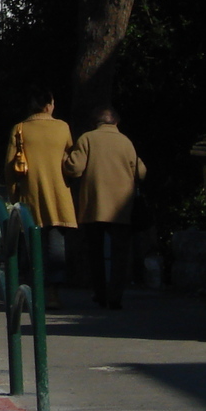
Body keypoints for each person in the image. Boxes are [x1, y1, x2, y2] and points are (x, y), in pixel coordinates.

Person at [65, 107, 147, 309]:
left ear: (96, 123)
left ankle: (100, 293)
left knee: (95, 253)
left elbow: (74, 169)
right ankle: (115, 295)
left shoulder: (87, 139)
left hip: (93, 206)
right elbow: (141, 173)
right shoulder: (126, 142)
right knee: (120, 254)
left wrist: (64, 158)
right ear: (116, 123)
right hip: (121, 208)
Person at [5, 89, 76, 308]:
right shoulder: (63, 127)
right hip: (58, 196)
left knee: (32, 247)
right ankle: (54, 294)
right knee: (56, 248)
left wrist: (13, 194)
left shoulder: (20, 129)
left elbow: (10, 166)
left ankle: (33, 292)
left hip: (30, 195)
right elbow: (70, 159)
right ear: (48, 105)